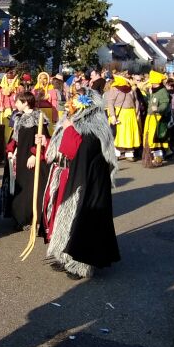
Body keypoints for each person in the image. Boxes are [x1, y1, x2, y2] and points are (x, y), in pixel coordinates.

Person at [41, 89, 120, 280]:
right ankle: (64, 255)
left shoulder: (93, 126)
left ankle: (80, 264)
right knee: (66, 217)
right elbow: (60, 151)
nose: (71, 104)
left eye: (75, 100)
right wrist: (46, 142)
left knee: (83, 221)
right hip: (72, 176)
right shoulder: (71, 121)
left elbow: (76, 151)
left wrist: (69, 130)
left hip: (88, 182)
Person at [2, 90, 51, 230]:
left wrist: (35, 155)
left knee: (34, 188)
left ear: (26, 103)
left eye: (18, 101)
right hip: (21, 158)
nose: (15, 104)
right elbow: (15, 138)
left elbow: (43, 139)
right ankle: (23, 218)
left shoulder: (38, 118)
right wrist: (10, 150)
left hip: (33, 159)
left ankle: (36, 218)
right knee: (22, 187)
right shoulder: (18, 117)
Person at [106, 74, 140, 160]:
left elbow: (136, 101)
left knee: (129, 134)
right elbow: (110, 103)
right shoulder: (114, 89)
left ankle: (129, 153)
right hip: (120, 114)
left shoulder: (131, 89)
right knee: (119, 135)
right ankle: (117, 153)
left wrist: (137, 113)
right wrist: (113, 115)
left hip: (130, 114)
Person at [143, 70, 171, 167]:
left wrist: (158, 109)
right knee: (150, 139)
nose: (151, 83)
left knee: (156, 140)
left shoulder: (162, 91)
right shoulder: (154, 90)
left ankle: (158, 159)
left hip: (157, 118)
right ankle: (153, 158)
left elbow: (165, 104)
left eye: (152, 82)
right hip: (150, 118)